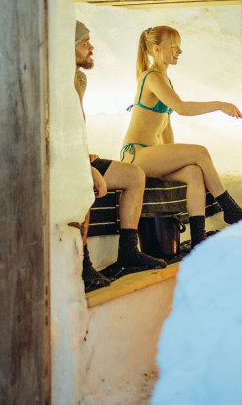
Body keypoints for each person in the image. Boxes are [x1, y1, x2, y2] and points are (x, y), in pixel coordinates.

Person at [119, 25, 242, 248]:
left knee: (195, 172)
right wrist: (219, 104)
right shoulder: (152, 77)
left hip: (152, 156)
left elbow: (166, 126)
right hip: (135, 154)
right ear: (157, 49)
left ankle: (198, 239)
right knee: (200, 151)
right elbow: (181, 108)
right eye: (174, 46)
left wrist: (174, 158)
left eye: (179, 46)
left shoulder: (164, 79)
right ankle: (230, 209)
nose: (179, 51)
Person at [75, 21, 166, 292]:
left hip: (77, 154)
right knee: (82, 185)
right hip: (59, 160)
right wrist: (83, 165)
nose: (91, 47)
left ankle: (128, 252)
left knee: (133, 175)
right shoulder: (55, 81)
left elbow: (76, 123)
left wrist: (84, 152)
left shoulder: (79, 78)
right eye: (84, 42)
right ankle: (82, 266)